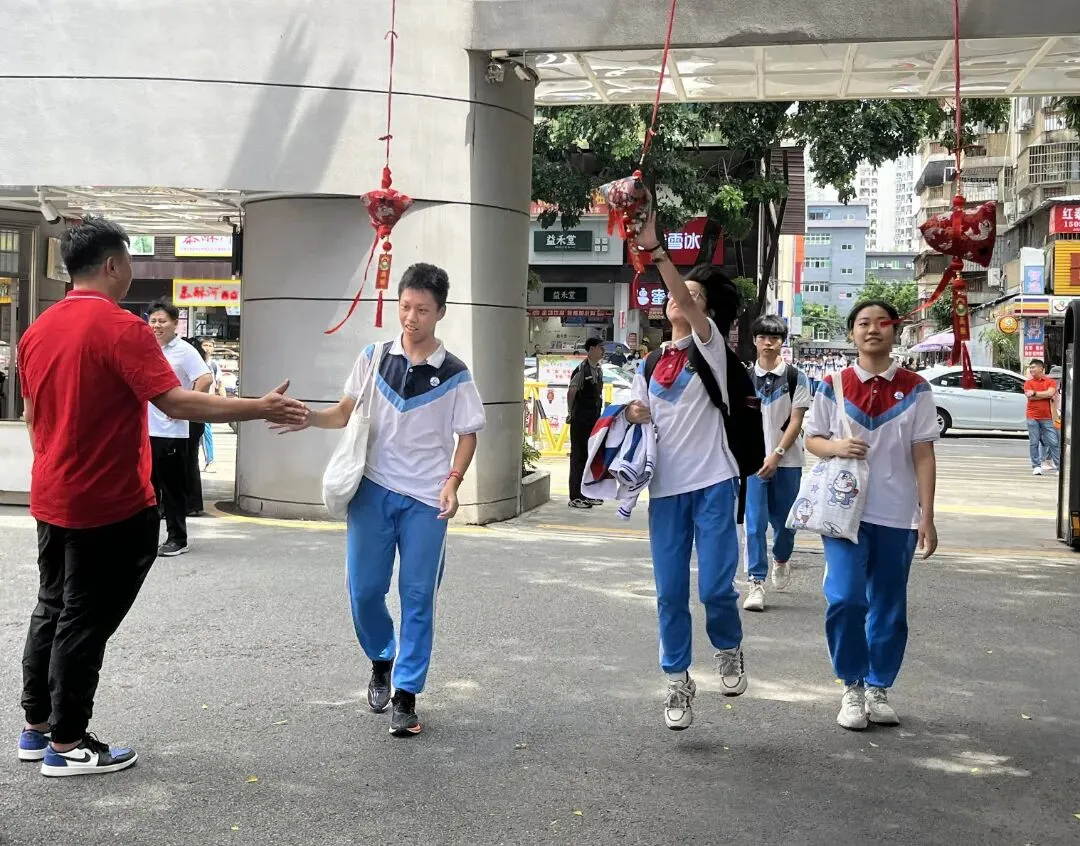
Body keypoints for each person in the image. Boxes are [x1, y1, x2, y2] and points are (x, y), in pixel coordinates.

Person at [16, 216, 307, 777]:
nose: (130, 274)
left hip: (53, 496)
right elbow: (177, 404)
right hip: (108, 502)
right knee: (84, 618)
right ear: (111, 265)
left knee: (52, 606)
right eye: (128, 263)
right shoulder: (122, 329)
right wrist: (259, 407)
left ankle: (38, 728)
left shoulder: (37, 330)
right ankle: (69, 742)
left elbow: (32, 416)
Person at [271, 262, 484, 738]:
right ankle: (382, 658)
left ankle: (407, 693)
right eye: (405, 307)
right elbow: (345, 414)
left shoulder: (454, 373)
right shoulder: (372, 357)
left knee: (417, 595)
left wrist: (452, 481)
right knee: (364, 590)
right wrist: (308, 419)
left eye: (422, 310)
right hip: (372, 491)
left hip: (426, 501)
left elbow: (468, 434)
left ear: (440, 313)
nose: (411, 317)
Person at [624, 211, 748, 731]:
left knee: (715, 588)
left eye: (691, 294)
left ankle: (727, 645)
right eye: (676, 291)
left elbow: (694, 311)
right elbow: (630, 414)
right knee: (670, 592)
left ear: (709, 314)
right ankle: (677, 678)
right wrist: (632, 412)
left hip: (715, 482)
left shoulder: (711, 347)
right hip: (667, 492)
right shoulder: (649, 365)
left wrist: (658, 256)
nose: (677, 297)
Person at [804, 299, 938, 731]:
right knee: (845, 598)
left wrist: (928, 515)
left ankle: (878, 687)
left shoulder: (917, 388)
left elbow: (923, 453)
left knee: (889, 605)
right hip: (844, 514)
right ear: (852, 333)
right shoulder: (833, 384)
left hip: (897, 514)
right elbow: (813, 441)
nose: (873, 330)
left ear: (895, 332)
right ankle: (852, 684)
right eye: (863, 323)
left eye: (882, 323)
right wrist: (837, 447)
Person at [743, 314, 812, 612]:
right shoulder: (744, 378)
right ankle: (755, 583)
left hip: (788, 461)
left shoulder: (796, 377)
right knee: (754, 524)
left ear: (782, 342)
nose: (768, 343)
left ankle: (781, 558)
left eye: (774, 338)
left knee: (785, 525)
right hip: (752, 464)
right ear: (755, 341)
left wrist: (777, 454)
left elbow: (796, 421)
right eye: (762, 337)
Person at [147, 303, 212, 555]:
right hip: (146, 430)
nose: (157, 326)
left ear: (175, 323)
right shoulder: (147, 348)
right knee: (148, 489)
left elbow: (205, 378)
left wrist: (186, 407)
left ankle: (178, 538)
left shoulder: (184, 350)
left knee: (171, 488)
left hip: (172, 431)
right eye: (153, 320)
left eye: (162, 321)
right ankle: (148, 538)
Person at [567, 338, 605, 509]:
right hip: (580, 420)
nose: (602, 351)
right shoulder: (582, 369)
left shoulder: (598, 369)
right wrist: (570, 412)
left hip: (593, 420)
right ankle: (575, 496)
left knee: (590, 457)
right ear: (591, 349)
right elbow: (572, 391)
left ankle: (587, 494)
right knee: (578, 457)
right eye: (600, 348)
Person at [1024, 359, 1059, 476]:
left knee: (1053, 442)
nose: (1031, 369)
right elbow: (1030, 397)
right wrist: (1042, 395)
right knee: (1033, 442)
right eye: (1030, 367)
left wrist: (1034, 393)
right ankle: (1036, 466)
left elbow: (1050, 393)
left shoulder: (1050, 382)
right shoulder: (1028, 383)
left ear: (1041, 368)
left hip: (1047, 416)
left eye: (1033, 367)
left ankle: (1059, 467)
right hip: (1032, 416)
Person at [199, 339, 225, 473]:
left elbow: (220, 384)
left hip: (207, 403)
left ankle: (210, 460)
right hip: (194, 403)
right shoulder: (196, 363)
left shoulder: (214, 365)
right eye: (205, 345)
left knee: (206, 432)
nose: (207, 348)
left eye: (210, 346)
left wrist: (224, 402)